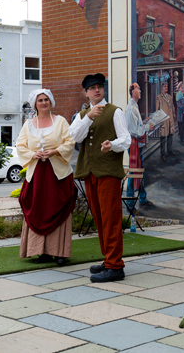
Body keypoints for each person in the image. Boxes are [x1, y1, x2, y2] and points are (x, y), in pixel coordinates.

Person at [69, 73, 131, 284]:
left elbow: (126, 139)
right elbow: (74, 137)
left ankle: (115, 266)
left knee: (111, 219)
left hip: (108, 173)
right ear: (86, 93)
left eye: (100, 87)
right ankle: (108, 259)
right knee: (99, 218)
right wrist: (88, 117)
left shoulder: (115, 111)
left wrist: (111, 145)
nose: (97, 90)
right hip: (90, 172)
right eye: (92, 88)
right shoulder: (82, 114)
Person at [17, 89, 77, 266]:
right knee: (38, 209)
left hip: (57, 175)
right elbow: (20, 145)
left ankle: (59, 252)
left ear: (50, 102)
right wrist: (33, 154)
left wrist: (55, 151)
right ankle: (40, 252)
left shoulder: (60, 122)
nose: (43, 103)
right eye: (40, 100)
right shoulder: (28, 124)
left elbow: (69, 142)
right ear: (35, 104)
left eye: (46, 100)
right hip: (37, 176)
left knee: (58, 208)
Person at [125, 83, 155, 211]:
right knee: (134, 173)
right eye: (138, 88)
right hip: (134, 145)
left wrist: (144, 122)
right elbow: (136, 131)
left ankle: (142, 198)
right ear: (132, 92)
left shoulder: (134, 106)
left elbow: (136, 126)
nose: (140, 90)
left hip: (136, 144)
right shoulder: (131, 108)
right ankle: (131, 203)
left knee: (138, 172)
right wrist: (147, 127)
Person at [156, 81, 177, 161]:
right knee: (162, 137)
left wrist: (174, 115)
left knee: (170, 136)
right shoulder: (159, 97)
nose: (166, 88)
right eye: (164, 86)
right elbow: (157, 109)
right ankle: (162, 154)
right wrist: (158, 119)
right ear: (161, 88)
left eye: (167, 86)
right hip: (163, 120)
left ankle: (169, 150)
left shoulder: (170, 97)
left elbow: (173, 107)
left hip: (170, 119)